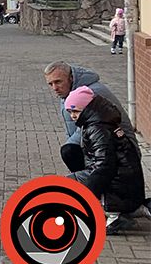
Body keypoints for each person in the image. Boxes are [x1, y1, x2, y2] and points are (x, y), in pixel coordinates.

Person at [63, 86, 149, 231]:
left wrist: (91, 189)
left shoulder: (97, 128)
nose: (73, 116)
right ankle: (114, 211)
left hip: (119, 179)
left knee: (71, 183)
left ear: (87, 108)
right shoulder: (100, 121)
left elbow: (105, 165)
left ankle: (113, 215)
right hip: (124, 177)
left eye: (76, 111)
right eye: (70, 112)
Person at [43, 62, 135, 172]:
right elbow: (73, 129)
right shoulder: (68, 92)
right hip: (98, 146)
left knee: (69, 152)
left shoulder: (89, 93)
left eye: (58, 82)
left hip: (122, 150)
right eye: (50, 84)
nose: (55, 88)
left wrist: (69, 149)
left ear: (71, 77)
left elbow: (94, 127)